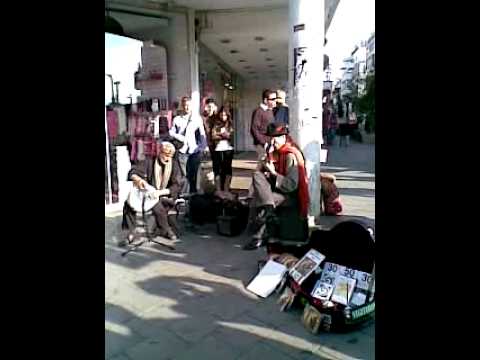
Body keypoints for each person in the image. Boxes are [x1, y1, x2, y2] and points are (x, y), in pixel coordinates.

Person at [243, 123, 310, 250]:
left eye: (277, 137)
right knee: (257, 175)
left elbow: (291, 186)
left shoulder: (291, 154)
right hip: (272, 191)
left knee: (259, 199)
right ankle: (269, 210)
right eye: (271, 138)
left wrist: (273, 173)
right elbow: (260, 176)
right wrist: (263, 164)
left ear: (285, 137)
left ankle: (258, 236)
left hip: (288, 195)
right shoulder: (272, 150)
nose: (273, 141)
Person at [122, 142, 182, 242]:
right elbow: (133, 172)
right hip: (149, 194)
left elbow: (176, 186)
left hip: (164, 195)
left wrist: (159, 193)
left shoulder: (174, 165)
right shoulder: (149, 161)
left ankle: (166, 230)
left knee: (157, 207)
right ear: (159, 152)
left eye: (170, 156)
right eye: (165, 154)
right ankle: (130, 231)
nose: (167, 158)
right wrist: (138, 179)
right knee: (128, 204)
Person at [169, 96, 207, 193]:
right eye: (185, 105)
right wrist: (179, 137)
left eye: (188, 105)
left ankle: (194, 194)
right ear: (182, 106)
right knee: (185, 174)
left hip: (194, 150)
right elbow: (171, 133)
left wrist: (202, 147)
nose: (186, 107)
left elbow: (202, 134)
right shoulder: (177, 119)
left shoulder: (197, 119)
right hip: (182, 150)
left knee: (194, 174)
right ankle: (186, 195)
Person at [210, 106, 234, 197]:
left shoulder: (230, 124)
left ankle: (226, 189)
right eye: (221, 114)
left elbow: (230, 135)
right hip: (218, 148)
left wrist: (223, 135)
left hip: (228, 148)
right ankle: (218, 189)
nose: (223, 116)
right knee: (217, 169)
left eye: (225, 115)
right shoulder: (216, 124)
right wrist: (222, 135)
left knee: (227, 169)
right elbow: (213, 135)